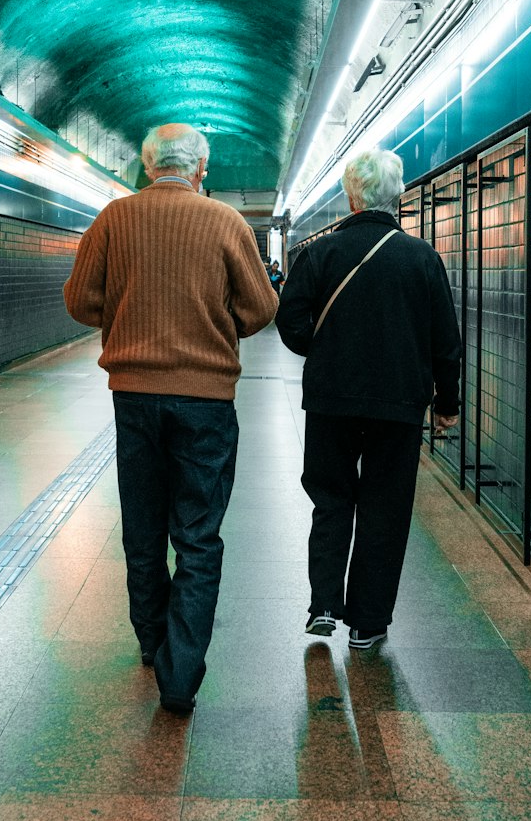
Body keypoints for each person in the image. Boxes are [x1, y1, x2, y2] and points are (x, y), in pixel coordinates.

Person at [64, 122, 278, 713]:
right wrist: (214, 327)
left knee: (143, 525)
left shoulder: (114, 218)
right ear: (202, 169)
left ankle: (151, 641)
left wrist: (128, 315)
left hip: (132, 397)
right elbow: (261, 307)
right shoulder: (227, 223)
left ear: (145, 164)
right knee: (198, 535)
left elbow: (80, 300)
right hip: (206, 401)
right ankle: (179, 676)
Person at [276, 148, 461, 650]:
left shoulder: (319, 254)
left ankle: (323, 606)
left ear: (351, 196)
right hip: (398, 406)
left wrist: (323, 349)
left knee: (331, 498)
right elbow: (445, 340)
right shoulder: (422, 258)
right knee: (386, 506)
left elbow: (289, 319)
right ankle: (368, 622)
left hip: (332, 401)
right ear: (396, 196)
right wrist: (448, 401)